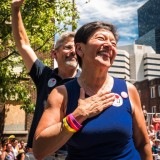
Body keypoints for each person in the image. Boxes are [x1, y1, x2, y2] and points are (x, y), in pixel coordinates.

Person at [33, 21, 152, 160]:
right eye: (101, 38)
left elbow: (143, 144)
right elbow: (39, 149)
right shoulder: (61, 94)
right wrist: (78, 116)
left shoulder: (128, 90)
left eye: (113, 44)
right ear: (79, 49)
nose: (109, 45)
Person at [11, 0, 80, 150]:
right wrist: (15, 8)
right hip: (39, 153)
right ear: (54, 54)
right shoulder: (44, 75)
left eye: (76, 48)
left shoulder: (86, 81)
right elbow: (23, 44)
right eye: (68, 47)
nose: (73, 52)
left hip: (73, 155)